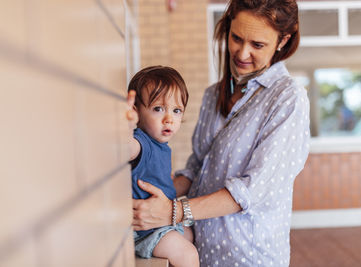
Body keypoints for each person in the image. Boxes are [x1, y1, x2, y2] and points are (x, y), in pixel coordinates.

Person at [132, 1, 310, 266]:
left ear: (282, 40)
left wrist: (173, 211)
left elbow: (252, 190)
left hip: (248, 256)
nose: (242, 52)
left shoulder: (288, 99)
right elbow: (197, 169)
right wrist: (143, 193)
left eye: (257, 45)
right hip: (203, 250)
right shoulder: (214, 94)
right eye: (236, 37)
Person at [125, 66, 199, 266]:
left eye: (176, 110)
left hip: (160, 222)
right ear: (137, 111)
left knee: (191, 234)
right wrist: (127, 127)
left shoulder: (160, 145)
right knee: (188, 254)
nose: (169, 119)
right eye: (158, 108)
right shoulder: (142, 142)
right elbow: (126, 148)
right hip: (145, 229)